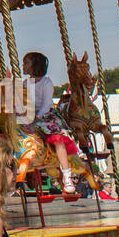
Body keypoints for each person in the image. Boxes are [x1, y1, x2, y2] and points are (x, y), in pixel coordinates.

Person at [22, 51, 79, 193]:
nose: (23, 66)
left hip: (45, 115)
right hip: (29, 116)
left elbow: (47, 103)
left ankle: (66, 174)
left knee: (57, 140)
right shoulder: (24, 83)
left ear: (34, 65)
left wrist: (37, 117)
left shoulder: (46, 82)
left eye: (26, 63)